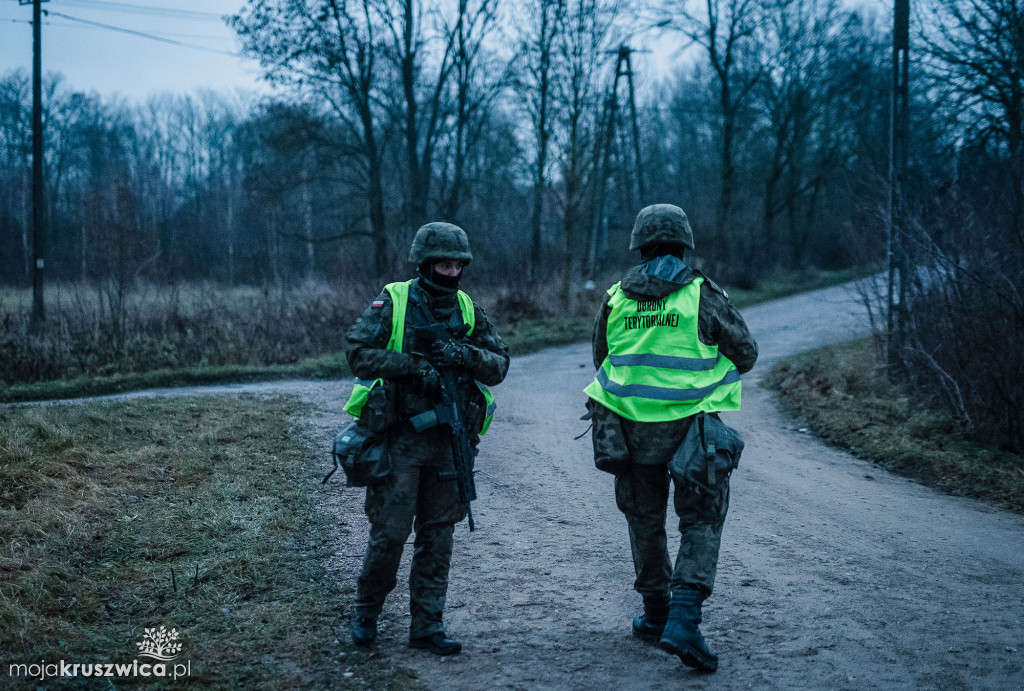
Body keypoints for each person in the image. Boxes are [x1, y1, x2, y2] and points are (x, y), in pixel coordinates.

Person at [583, 204, 757, 672]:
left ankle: (655, 615)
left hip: (631, 431)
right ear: (684, 244)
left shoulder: (616, 297)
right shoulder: (702, 293)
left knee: (645, 522)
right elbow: (745, 354)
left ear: (640, 246)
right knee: (701, 519)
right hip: (693, 430)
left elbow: (601, 356)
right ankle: (683, 619)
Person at [343, 222, 509, 656]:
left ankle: (428, 624)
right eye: (442, 263)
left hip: (449, 441)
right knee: (390, 534)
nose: (450, 271)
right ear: (425, 262)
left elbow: (499, 364)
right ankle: (367, 613)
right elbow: (357, 354)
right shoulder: (395, 300)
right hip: (400, 438)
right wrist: (413, 367)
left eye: (457, 264)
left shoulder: (468, 309)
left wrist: (464, 354)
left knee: (438, 536)